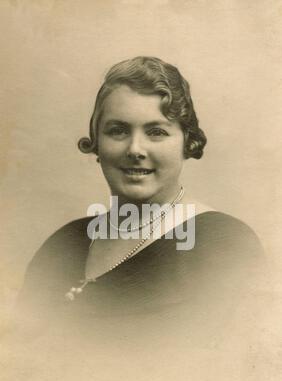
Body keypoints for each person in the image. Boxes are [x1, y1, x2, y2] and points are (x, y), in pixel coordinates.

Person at [17, 56, 265, 319]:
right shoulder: (61, 246)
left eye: (156, 132)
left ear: (186, 143)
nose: (135, 149)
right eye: (118, 130)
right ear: (97, 143)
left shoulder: (225, 247)